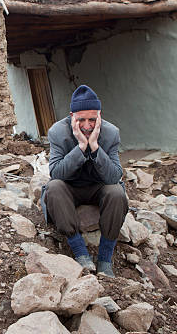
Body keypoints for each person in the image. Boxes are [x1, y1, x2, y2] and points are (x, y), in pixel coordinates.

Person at [40, 85, 128, 277]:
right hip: (70, 187)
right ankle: (80, 253)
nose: (87, 126)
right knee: (53, 187)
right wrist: (81, 146)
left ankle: (105, 259)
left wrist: (95, 147)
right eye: (81, 120)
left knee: (116, 192)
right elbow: (56, 173)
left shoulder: (111, 132)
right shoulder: (57, 132)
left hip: (99, 187)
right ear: (72, 116)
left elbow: (114, 176)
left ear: (99, 116)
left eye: (92, 120)